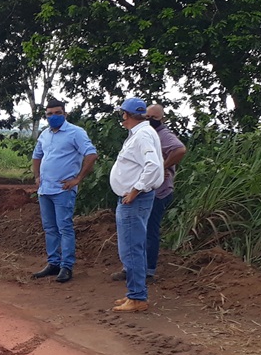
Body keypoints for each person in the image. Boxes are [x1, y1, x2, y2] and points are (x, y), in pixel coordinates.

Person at [111, 103, 187, 281]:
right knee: (135, 237)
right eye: (148, 116)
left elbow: (179, 150)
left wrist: (162, 167)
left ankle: (146, 273)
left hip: (153, 192)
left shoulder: (157, 135)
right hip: (143, 191)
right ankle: (134, 272)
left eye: (154, 117)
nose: (150, 120)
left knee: (145, 233)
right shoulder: (141, 133)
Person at [31, 99, 98, 283]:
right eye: (50, 114)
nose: (53, 117)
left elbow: (91, 155)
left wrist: (77, 179)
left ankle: (66, 266)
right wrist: (37, 177)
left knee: (64, 228)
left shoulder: (75, 133)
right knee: (50, 228)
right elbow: (37, 156)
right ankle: (53, 263)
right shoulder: (45, 134)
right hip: (45, 190)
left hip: (63, 190)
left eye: (57, 113)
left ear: (65, 114)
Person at [109, 97, 164, 313]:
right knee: (133, 248)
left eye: (123, 114)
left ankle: (137, 297)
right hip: (133, 198)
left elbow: (152, 167)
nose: (122, 118)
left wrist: (135, 190)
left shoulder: (142, 135)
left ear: (128, 115)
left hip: (134, 200)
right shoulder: (141, 133)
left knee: (131, 248)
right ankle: (134, 293)